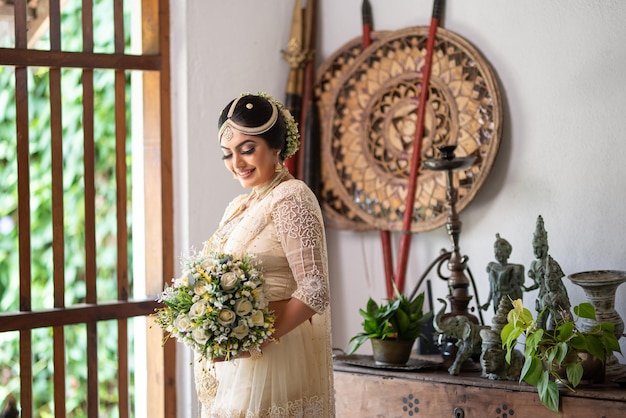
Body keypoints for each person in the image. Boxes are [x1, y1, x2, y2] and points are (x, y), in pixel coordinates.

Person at [193, 92, 334, 417]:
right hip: (240, 362)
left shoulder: (291, 197)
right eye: (227, 154)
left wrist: (250, 340)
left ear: (276, 147)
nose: (237, 163)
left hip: (276, 359)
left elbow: (314, 289)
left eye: (247, 149)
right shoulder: (240, 205)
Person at [526, 215, 570, 329]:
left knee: (556, 322)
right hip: (542, 297)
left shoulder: (552, 264)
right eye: (535, 248)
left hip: (555, 296)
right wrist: (526, 289)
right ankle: (542, 344)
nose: (537, 251)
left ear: (547, 247)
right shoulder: (534, 265)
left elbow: (560, 284)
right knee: (540, 323)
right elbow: (537, 285)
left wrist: (565, 300)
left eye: (541, 247)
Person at [480, 234, 526, 314]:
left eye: (500, 251)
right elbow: (492, 288)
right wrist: (488, 302)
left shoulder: (515, 268)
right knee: (498, 322)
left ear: (507, 252)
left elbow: (520, 286)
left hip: (510, 299)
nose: (497, 255)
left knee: (512, 322)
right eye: (496, 252)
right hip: (497, 299)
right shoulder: (493, 268)